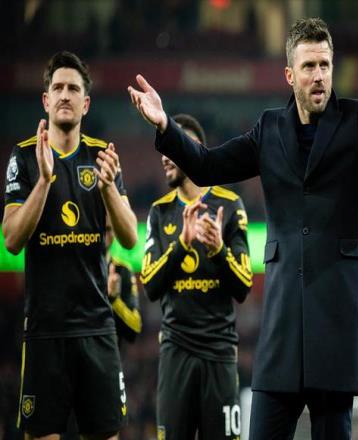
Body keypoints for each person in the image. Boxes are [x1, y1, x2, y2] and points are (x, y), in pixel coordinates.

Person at [128, 17, 358, 440]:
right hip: (283, 328)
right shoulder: (268, 128)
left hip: (337, 323)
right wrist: (165, 125)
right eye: (309, 66)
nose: (319, 75)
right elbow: (208, 166)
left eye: (325, 65)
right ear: (290, 75)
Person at [2, 51, 137, 440]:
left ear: (86, 103)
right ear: (45, 100)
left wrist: (108, 188)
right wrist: (44, 182)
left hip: (97, 328)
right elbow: (11, 240)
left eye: (73, 88)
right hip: (45, 331)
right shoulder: (25, 156)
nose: (65, 94)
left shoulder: (102, 155)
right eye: (58, 88)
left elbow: (129, 236)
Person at [140, 113, 252, 440]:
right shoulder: (160, 212)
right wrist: (182, 245)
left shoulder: (230, 206)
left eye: (172, 149)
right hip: (175, 352)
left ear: (193, 150)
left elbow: (243, 286)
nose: (164, 158)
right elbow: (150, 286)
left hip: (220, 353)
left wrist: (218, 250)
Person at [105, 224, 142, 347]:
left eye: (108, 229)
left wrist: (114, 300)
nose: (103, 234)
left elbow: (135, 327)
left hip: (110, 355)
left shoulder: (122, 270)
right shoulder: (77, 269)